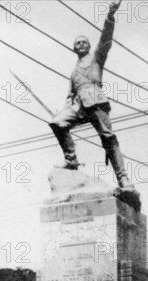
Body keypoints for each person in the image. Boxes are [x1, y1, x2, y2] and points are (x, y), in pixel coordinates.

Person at [49, 1, 131, 189]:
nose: (81, 44)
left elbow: (106, 38)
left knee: (108, 138)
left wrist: (110, 15)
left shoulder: (96, 59)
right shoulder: (73, 71)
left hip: (96, 104)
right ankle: (71, 160)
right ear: (74, 48)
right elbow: (70, 96)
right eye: (78, 43)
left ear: (89, 46)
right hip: (78, 107)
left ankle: (123, 178)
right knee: (57, 123)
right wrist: (63, 110)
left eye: (84, 42)